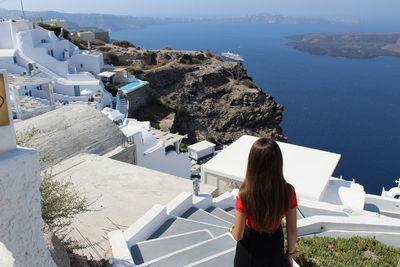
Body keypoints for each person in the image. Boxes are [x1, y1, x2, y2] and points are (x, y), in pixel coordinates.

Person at [231, 138, 297, 267]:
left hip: (249, 250)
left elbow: (237, 235)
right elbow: (292, 230)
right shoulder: (288, 192)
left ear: (252, 163)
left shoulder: (245, 194)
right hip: (274, 246)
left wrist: (233, 229)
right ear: (278, 162)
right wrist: (289, 254)